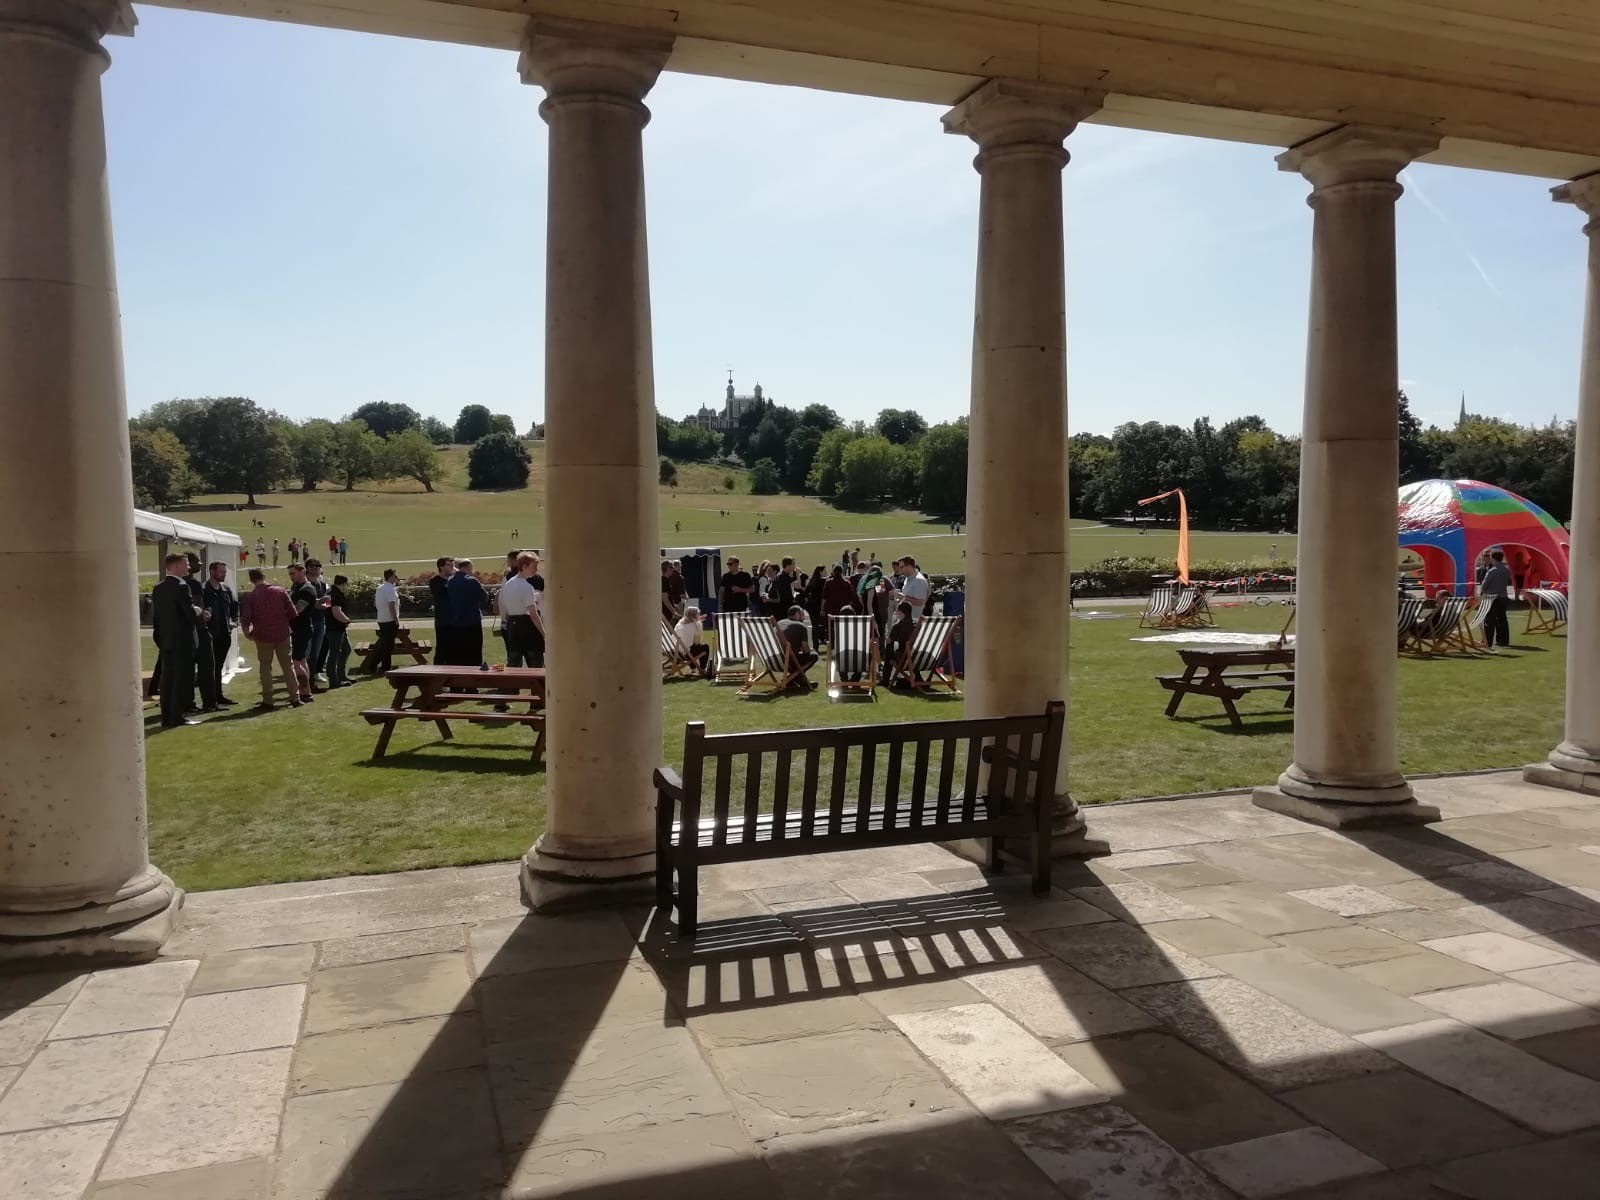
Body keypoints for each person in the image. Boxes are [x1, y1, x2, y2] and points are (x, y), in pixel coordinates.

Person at [152, 554, 202, 728]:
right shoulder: (182, 586)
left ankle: (166, 717)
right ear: (176, 566)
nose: (188, 568)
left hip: (165, 639)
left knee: (167, 680)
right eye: (186, 564)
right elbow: (187, 613)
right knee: (180, 679)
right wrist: (196, 611)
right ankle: (177, 717)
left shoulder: (158, 587)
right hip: (181, 639)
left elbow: (156, 617)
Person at [240, 568, 299, 710]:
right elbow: (292, 612)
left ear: (251, 580)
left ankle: (268, 700)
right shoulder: (280, 591)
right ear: (264, 576)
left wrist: (247, 633)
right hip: (282, 633)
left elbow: (245, 618)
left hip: (262, 635)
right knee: (288, 666)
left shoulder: (251, 596)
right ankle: (294, 697)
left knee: (265, 667)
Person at [178, 552, 219, 713]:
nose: (198, 566)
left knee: (189, 670)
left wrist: (205, 611)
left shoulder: (190, 583)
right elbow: (196, 606)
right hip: (198, 629)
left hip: (193, 630)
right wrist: (203, 614)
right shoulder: (192, 584)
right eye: (195, 563)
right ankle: (207, 702)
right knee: (205, 668)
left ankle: (192, 703)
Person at [499, 551, 547, 671]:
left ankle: (511, 689)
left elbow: (504, 605)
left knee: (514, 664)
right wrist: (544, 633)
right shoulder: (527, 587)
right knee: (536, 665)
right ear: (524, 566)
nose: (536, 570)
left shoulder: (509, 583)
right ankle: (537, 690)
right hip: (528, 627)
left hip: (513, 626)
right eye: (534, 567)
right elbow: (533, 614)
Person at [202, 560, 240, 707]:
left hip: (224, 635)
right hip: (210, 635)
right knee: (211, 669)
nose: (224, 574)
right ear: (212, 571)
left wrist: (234, 620)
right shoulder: (204, 590)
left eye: (224, 572)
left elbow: (234, 606)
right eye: (221, 571)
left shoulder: (226, 589)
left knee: (218, 667)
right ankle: (211, 700)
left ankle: (218, 696)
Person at [447, 558, 489, 667]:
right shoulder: (472, 581)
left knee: (460, 651)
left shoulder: (451, 582)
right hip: (472, 620)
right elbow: (484, 597)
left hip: (456, 621)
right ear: (468, 568)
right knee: (474, 651)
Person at [286, 563, 318, 703]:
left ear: (302, 572)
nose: (291, 577)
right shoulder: (296, 587)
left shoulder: (307, 589)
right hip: (297, 629)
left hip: (301, 629)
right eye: (290, 574)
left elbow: (297, 610)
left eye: (293, 573)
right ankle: (307, 691)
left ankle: (305, 692)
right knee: (301, 660)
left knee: (297, 661)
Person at [304, 558, 332, 690]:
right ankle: (304, 681)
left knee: (316, 653)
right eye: (312, 566)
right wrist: (320, 603)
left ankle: (312, 679)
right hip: (308, 622)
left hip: (320, 621)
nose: (315, 568)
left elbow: (326, 602)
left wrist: (325, 605)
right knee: (306, 654)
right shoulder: (305, 584)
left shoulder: (321, 583)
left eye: (318, 565)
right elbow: (308, 603)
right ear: (307, 568)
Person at [1479, 549, 1514, 652]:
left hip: (1492, 597)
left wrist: (1485, 591)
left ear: (1493, 558)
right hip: (1503, 596)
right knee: (1502, 619)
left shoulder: (1492, 570)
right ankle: (1503, 640)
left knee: (1489, 620)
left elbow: (1484, 586)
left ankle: (1487, 641)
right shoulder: (1506, 569)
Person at [777, 605, 819, 688]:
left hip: (776, 660)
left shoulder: (779, 623)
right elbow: (806, 651)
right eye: (802, 614)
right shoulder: (800, 626)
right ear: (797, 614)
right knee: (813, 655)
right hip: (788, 661)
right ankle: (791, 679)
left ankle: (797, 679)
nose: (803, 617)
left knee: (796, 655)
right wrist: (811, 649)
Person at [326, 573, 355, 687]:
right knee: (335, 653)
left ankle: (341, 675)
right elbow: (336, 612)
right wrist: (347, 620)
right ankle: (333, 679)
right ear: (343, 584)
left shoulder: (335, 593)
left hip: (339, 628)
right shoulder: (335, 595)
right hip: (334, 629)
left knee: (346, 649)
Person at [372, 569, 401, 675]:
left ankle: (378, 665)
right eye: (395, 576)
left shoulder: (380, 588)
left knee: (385, 644)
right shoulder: (390, 589)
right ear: (390, 577)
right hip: (389, 620)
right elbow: (391, 606)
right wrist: (396, 620)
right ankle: (384, 667)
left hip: (381, 619)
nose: (396, 577)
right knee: (388, 646)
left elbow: (375, 604)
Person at [430, 556, 456, 664]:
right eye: (449, 565)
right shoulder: (435, 581)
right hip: (443, 621)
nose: (452, 568)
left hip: (455, 621)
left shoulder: (453, 581)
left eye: (453, 565)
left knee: (454, 651)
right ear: (441, 567)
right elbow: (444, 592)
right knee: (442, 649)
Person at [675, 606, 713, 678]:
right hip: (686, 654)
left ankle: (693, 668)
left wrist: (698, 620)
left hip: (676, 653)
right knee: (705, 647)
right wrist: (699, 624)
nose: (699, 615)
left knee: (687, 646)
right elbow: (696, 642)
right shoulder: (694, 625)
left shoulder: (679, 624)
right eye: (698, 614)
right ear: (694, 615)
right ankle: (702, 669)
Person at [884, 601, 915, 686]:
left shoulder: (898, 626)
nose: (897, 613)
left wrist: (885, 638)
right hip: (916, 657)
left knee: (889, 648)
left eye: (897, 611)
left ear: (901, 612)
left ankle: (885, 680)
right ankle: (917, 677)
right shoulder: (916, 625)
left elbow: (889, 641)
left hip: (904, 658)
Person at [896, 556, 931, 621]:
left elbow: (920, 602)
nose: (900, 570)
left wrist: (903, 598)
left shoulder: (919, 580)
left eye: (901, 567)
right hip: (905, 619)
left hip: (913, 621)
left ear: (909, 566)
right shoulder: (908, 578)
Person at [803, 564, 827, 645]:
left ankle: (815, 644)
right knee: (823, 623)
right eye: (824, 571)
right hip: (819, 605)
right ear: (820, 571)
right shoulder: (824, 581)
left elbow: (805, 593)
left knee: (814, 625)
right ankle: (823, 639)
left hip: (811, 606)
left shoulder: (812, 580)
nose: (826, 572)